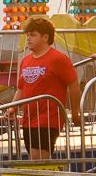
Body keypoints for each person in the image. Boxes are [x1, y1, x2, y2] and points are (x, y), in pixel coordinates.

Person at [13, 16, 79, 161]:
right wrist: (12, 108)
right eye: (28, 35)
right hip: (28, 119)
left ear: (45, 37)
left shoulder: (58, 59)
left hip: (48, 118)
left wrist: (75, 113)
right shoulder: (25, 60)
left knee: (41, 157)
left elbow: (73, 84)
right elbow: (21, 88)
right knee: (33, 157)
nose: (29, 39)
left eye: (33, 35)